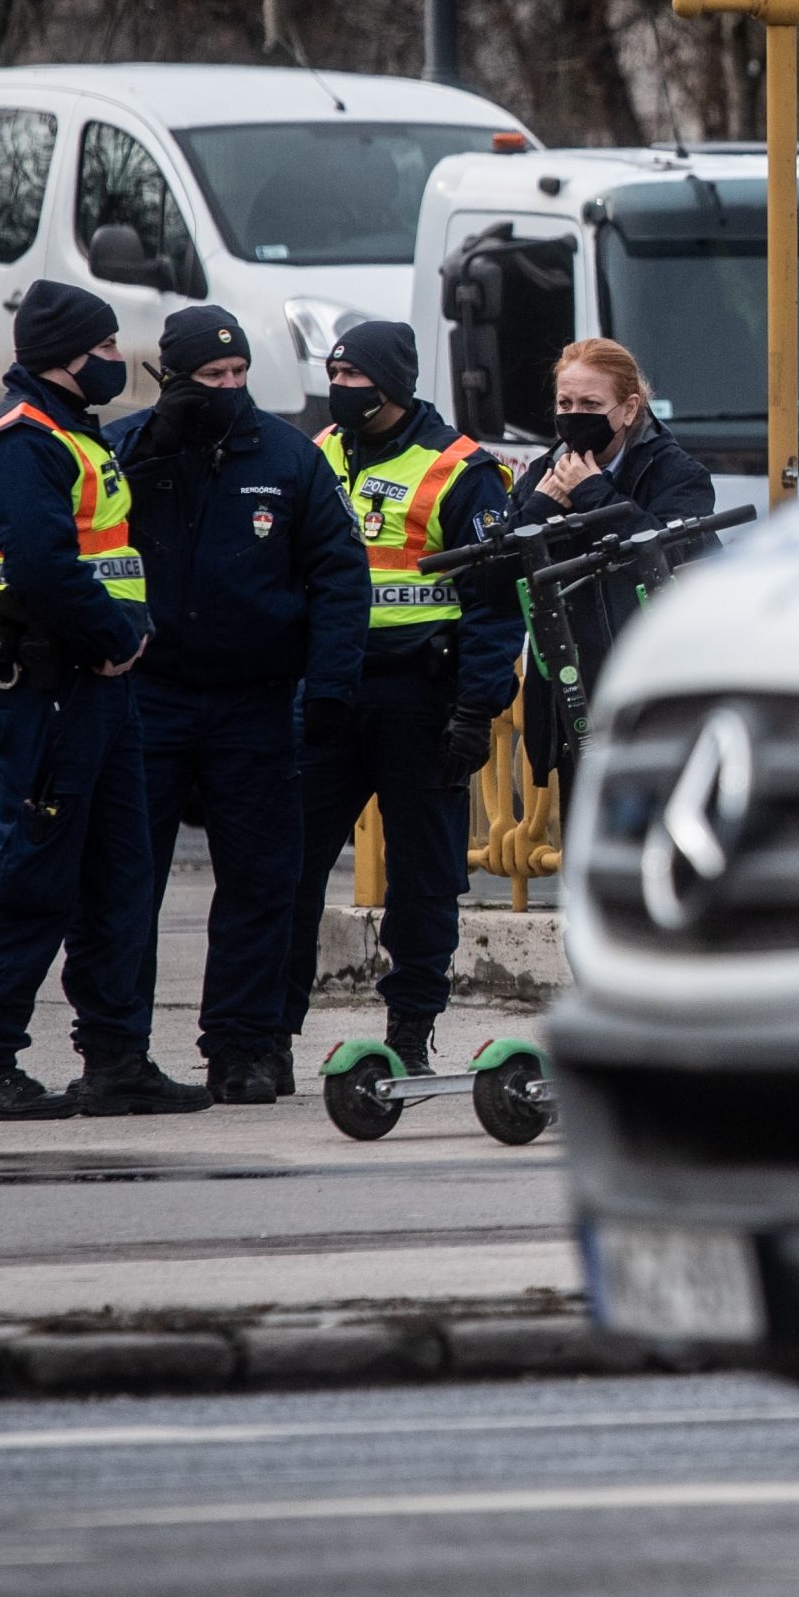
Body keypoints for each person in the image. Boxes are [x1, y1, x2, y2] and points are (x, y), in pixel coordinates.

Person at [0, 282, 210, 1120]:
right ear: (62, 354)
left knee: (119, 876)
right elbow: (44, 569)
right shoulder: (22, 445)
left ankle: (115, 1057)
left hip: (101, 691)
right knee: (33, 875)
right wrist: (114, 636)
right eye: (101, 350)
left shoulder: (74, 437)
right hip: (56, 688)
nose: (113, 362)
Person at [107, 305, 368, 1105]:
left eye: (238, 375)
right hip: (148, 696)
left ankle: (247, 1047)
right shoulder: (127, 450)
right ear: (172, 379)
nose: (227, 389)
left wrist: (329, 688)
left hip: (254, 702)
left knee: (261, 880)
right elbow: (87, 537)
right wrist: (157, 444)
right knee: (127, 882)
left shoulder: (288, 458)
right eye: (210, 379)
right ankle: (117, 1049)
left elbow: (339, 575)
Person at [280, 317, 520, 1076]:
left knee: (424, 875)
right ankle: (267, 1037)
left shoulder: (460, 469)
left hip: (423, 697)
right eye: (336, 376)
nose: (340, 390)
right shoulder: (319, 453)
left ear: (391, 385)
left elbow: (493, 604)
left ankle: (410, 1033)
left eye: (354, 379)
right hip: (331, 695)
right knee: (286, 865)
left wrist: (476, 709)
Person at [510, 338, 714, 780]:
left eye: (591, 403)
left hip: (651, 692)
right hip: (570, 697)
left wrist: (593, 494)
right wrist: (541, 509)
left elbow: (672, 556)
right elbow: (496, 587)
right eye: (565, 402)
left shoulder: (677, 474)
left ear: (627, 408)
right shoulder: (543, 477)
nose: (575, 414)